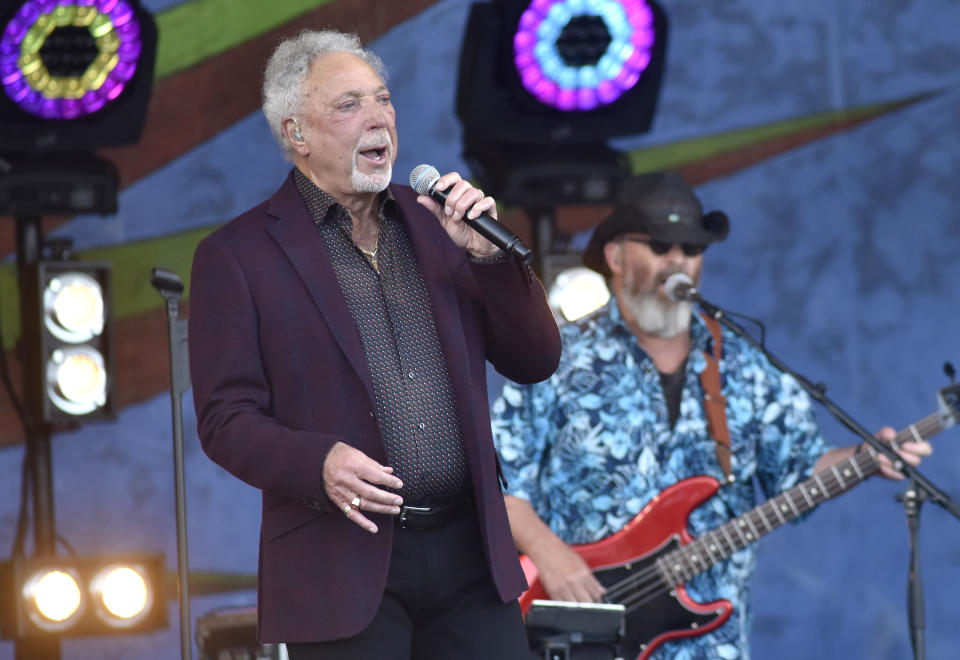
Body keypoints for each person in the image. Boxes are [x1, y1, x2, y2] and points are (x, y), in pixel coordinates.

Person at [188, 29, 561, 660]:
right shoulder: (238, 256)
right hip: (341, 561)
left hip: (470, 554)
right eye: (348, 105)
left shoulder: (441, 224)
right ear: (295, 135)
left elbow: (536, 361)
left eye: (383, 99)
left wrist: (490, 261)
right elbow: (225, 419)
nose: (378, 118)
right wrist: (317, 463)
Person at [490, 170, 931, 659]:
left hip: (713, 643)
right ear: (616, 256)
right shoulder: (558, 358)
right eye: (660, 246)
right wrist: (551, 555)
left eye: (692, 248)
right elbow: (497, 484)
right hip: (584, 634)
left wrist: (866, 456)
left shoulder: (747, 367)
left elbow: (798, 473)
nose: (678, 261)